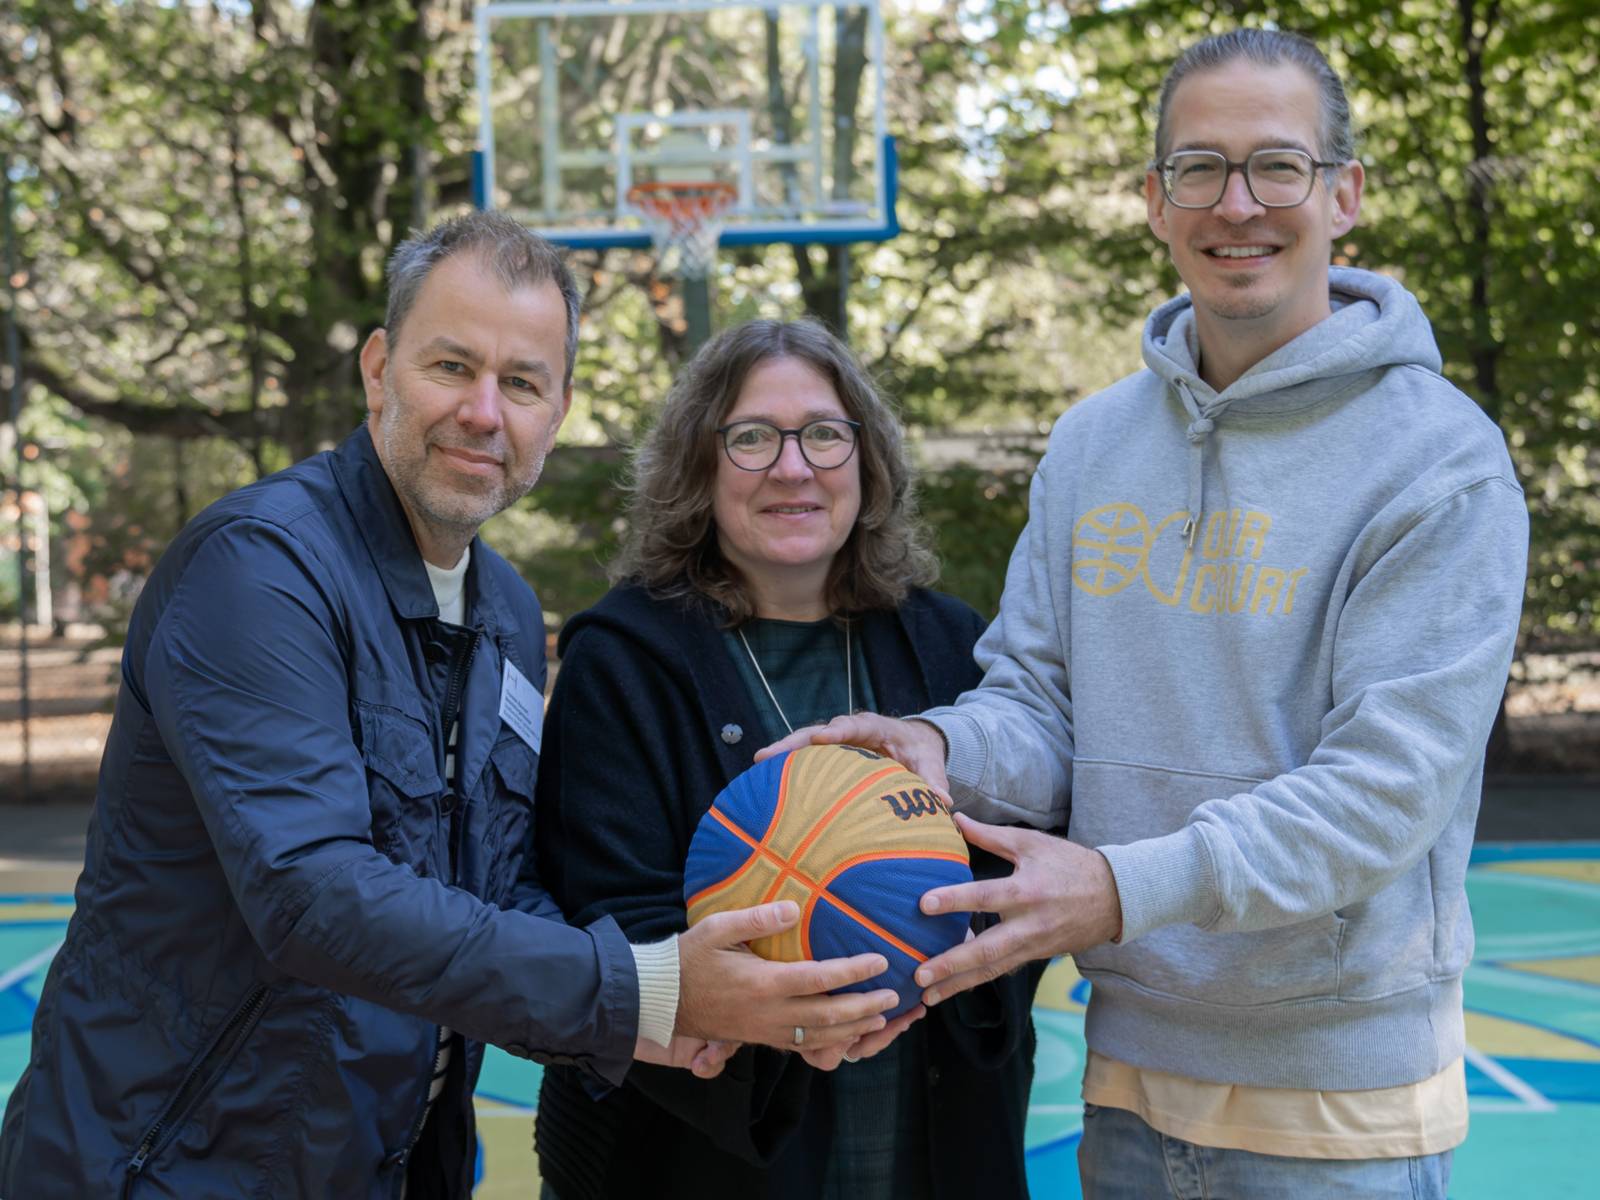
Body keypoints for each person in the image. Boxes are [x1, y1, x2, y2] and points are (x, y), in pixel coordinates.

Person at [767, 29, 1529, 1199]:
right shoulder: (1091, 446)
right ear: (1153, 200)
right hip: (1125, 1084)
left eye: (1276, 166)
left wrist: (1117, 890)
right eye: (1198, 169)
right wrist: (940, 747)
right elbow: (1035, 704)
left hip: (1337, 1108)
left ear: (1343, 194)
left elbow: (1385, 792)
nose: (1237, 204)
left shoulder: (1439, 462)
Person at [0, 214, 904, 1199]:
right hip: (177, 1164)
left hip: (391, 1161)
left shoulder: (506, 612)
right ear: (379, 368)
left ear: (555, 413)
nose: (485, 411)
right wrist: (638, 989)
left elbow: (486, 881)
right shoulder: (258, 571)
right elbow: (310, 891)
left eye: (522, 383)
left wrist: (669, 1002)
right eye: (451, 367)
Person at [531, 319, 1040, 1200]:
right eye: (752, 437)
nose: (793, 467)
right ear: (701, 465)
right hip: (700, 1159)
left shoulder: (952, 642)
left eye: (824, 434)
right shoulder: (621, 658)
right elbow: (609, 924)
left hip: (936, 1141)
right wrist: (783, 1019)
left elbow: (1015, 872)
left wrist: (939, 971)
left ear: (866, 460)